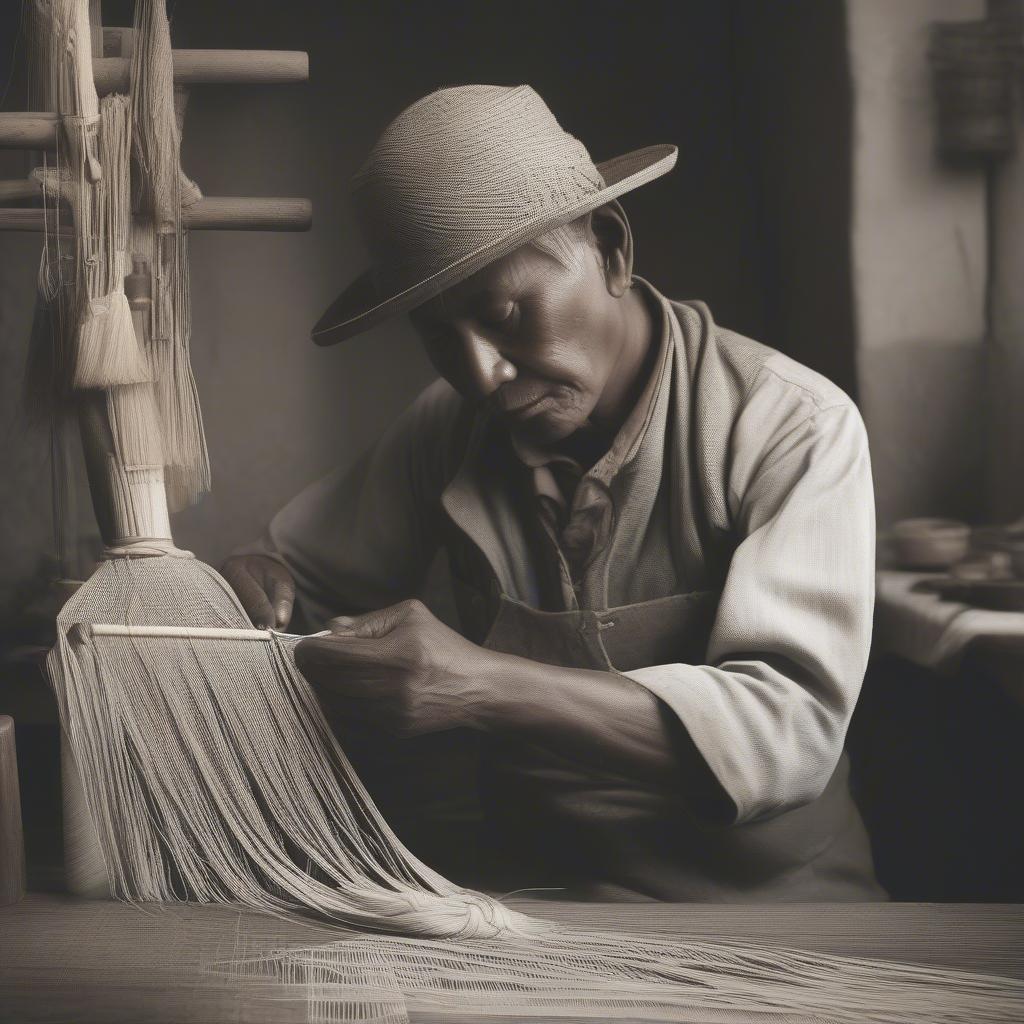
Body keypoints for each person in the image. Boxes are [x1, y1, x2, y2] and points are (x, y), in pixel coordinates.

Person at [223, 84, 885, 902]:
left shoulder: (792, 426)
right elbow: (300, 573)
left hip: (777, 911)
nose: (480, 374)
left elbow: (789, 735)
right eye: (438, 337)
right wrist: (256, 581)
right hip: (542, 903)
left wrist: (481, 686)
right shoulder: (452, 426)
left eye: (504, 313)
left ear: (610, 248)